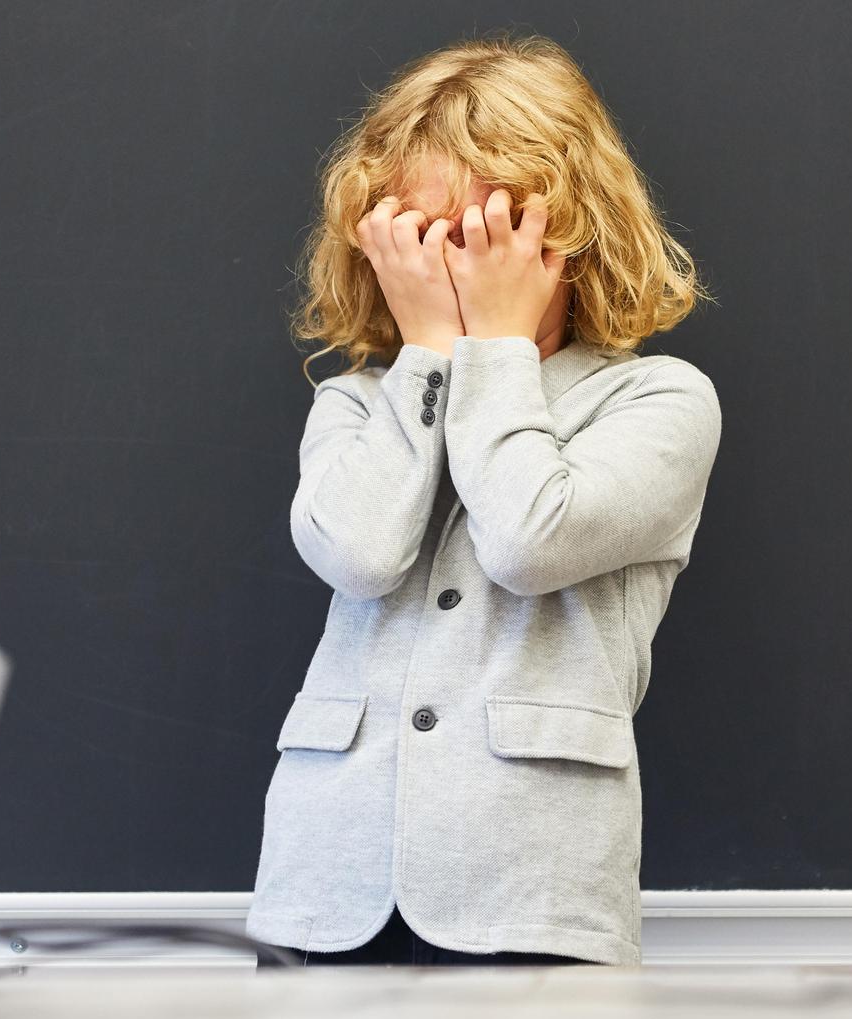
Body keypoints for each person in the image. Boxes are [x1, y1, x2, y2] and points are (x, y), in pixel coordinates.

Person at [248, 29, 721, 969]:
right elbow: (359, 554)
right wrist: (426, 357)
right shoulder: (358, 401)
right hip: (323, 886)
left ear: (569, 237)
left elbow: (526, 540)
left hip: (529, 893)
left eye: (484, 237)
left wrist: (496, 350)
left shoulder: (657, 401)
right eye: (421, 240)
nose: (454, 269)